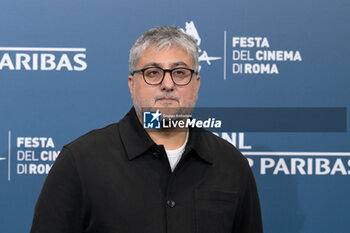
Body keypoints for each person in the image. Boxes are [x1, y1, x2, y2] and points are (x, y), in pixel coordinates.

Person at [30, 26, 263, 233]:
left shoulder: (232, 165)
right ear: (132, 85)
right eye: (153, 73)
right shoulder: (80, 162)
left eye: (180, 73)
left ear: (196, 84)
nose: (168, 84)